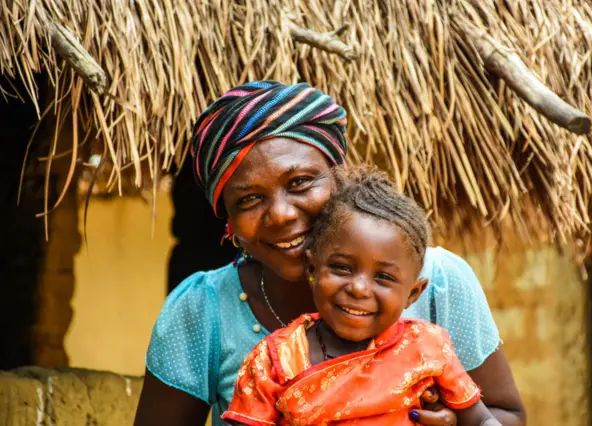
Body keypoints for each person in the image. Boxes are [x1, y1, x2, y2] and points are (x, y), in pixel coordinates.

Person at [134, 81, 526, 426]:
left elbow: (507, 416)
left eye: (301, 182)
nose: (282, 214)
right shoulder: (202, 311)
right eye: (249, 199)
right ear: (229, 221)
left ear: (339, 176)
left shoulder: (439, 282)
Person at [221, 167, 501, 426]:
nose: (359, 289)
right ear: (312, 268)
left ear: (413, 294)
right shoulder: (273, 359)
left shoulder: (428, 346)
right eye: (342, 268)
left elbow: (480, 420)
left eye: (384, 277)